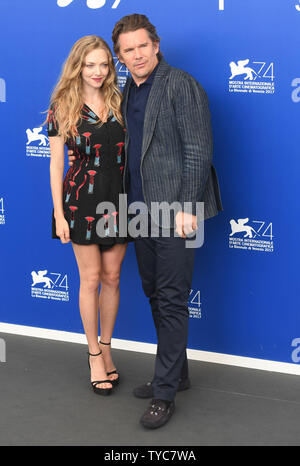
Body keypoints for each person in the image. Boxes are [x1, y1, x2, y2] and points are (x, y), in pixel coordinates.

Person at [68, 14, 223, 428]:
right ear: (119, 57)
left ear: (155, 45)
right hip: (139, 213)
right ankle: (179, 373)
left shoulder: (180, 84)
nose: (136, 55)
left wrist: (189, 208)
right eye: (127, 50)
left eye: (142, 46)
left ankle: (164, 392)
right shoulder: (127, 93)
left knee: (172, 298)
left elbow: (198, 149)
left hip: (176, 213)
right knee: (155, 292)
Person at [48, 35, 129, 396]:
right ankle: (94, 354)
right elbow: (55, 164)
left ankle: (108, 349)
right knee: (91, 279)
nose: (98, 71)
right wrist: (59, 214)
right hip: (80, 202)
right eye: (90, 64)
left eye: (104, 64)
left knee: (113, 278)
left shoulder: (121, 101)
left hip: (121, 201)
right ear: (78, 66)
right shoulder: (62, 105)